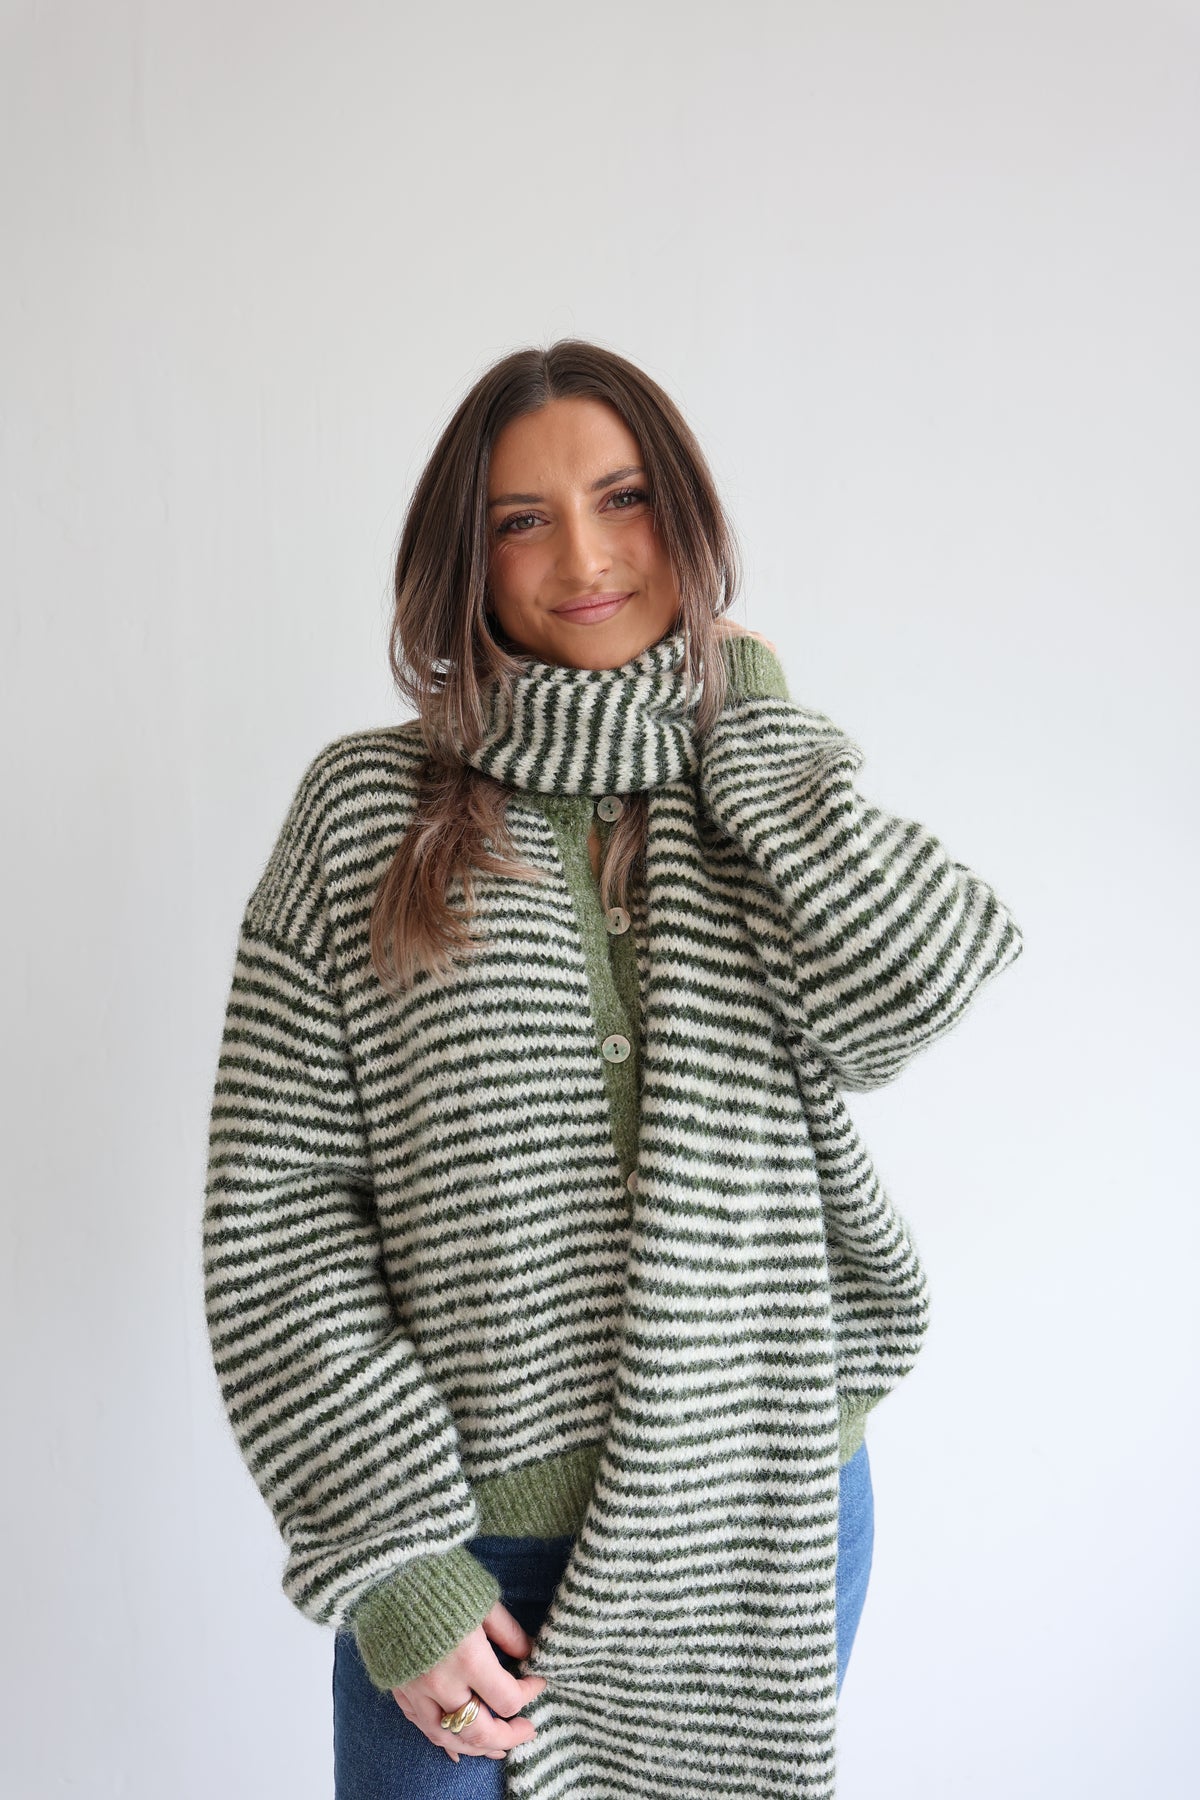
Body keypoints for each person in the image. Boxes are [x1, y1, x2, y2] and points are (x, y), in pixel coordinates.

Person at [202, 340, 1023, 1800]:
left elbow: (910, 984)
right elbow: (279, 1217)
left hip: (761, 1516)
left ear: (686, 516)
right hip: (467, 1549)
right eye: (521, 519)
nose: (582, 556)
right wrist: (394, 1561)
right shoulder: (362, 812)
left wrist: (747, 721)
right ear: (465, 557)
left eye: (624, 498)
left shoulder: (748, 785)